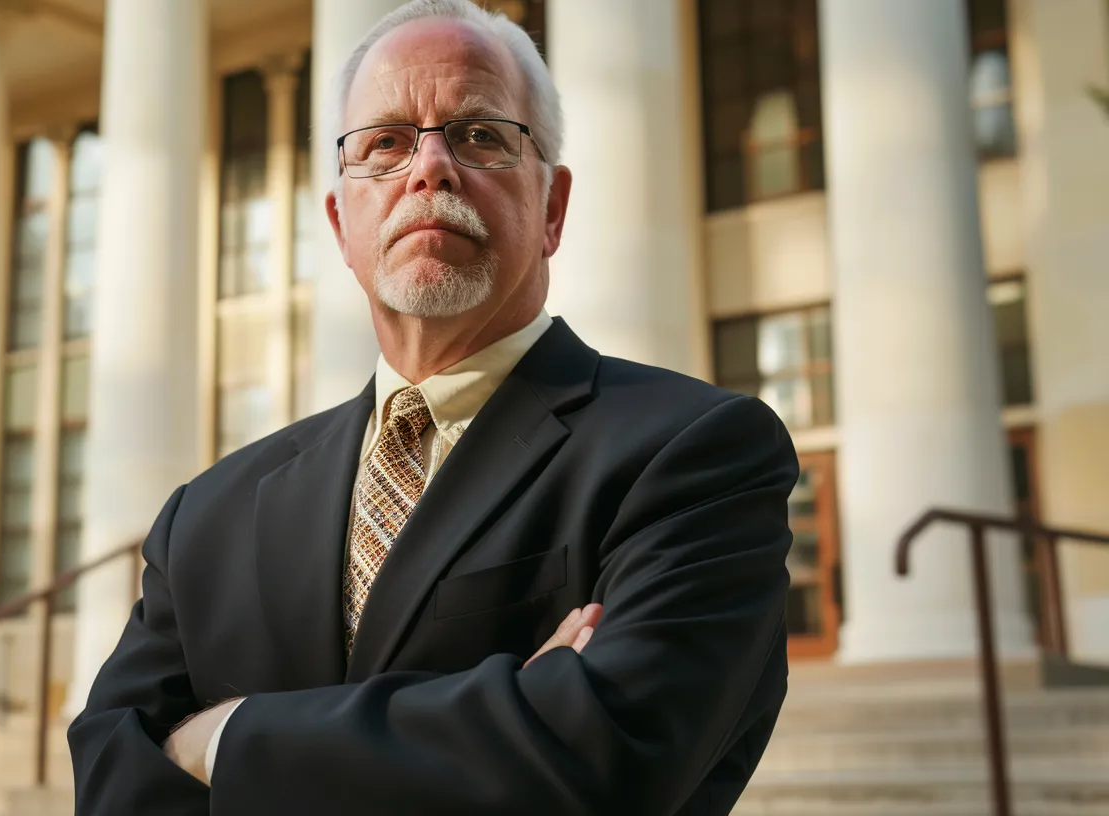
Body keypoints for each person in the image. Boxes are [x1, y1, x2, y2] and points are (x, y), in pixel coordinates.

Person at [68, 1, 798, 813]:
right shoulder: (204, 518)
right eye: (384, 143)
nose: (429, 168)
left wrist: (226, 738)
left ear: (551, 209)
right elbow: (112, 782)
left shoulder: (693, 453)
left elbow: (598, 762)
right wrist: (500, 716)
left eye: (480, 134)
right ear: (342, 226)